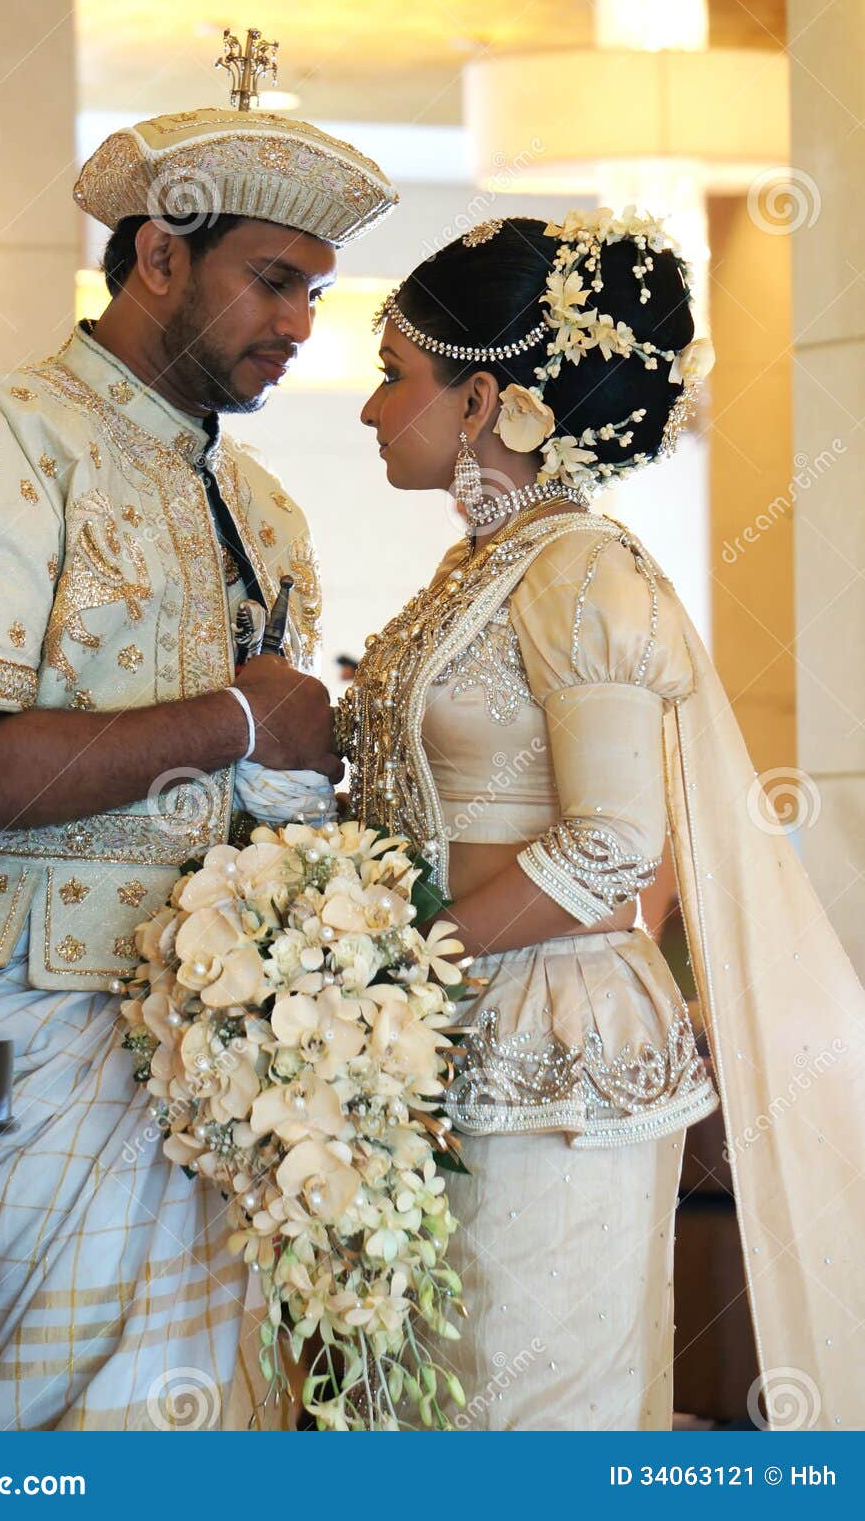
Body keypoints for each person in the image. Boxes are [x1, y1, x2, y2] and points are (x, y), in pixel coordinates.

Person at [0, 47, 399, 1429]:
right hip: (13, 1003)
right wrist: (244, 715)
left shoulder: (260, 504)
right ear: (154, 256)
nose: (302, 323)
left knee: (212, 1422)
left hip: (220, 1040)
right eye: (273, 280)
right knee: (77, 1423)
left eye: (316, 291)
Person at [337, 209, 865, 1430]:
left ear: (479, 402)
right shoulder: (486, 566)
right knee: (426, 1405)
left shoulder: (580, 571)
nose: (370, 408)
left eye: (391, 374)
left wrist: (400, 964)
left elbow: (614, 841)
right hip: (455, 1020)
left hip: (551, 1036)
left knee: (517, 1409)